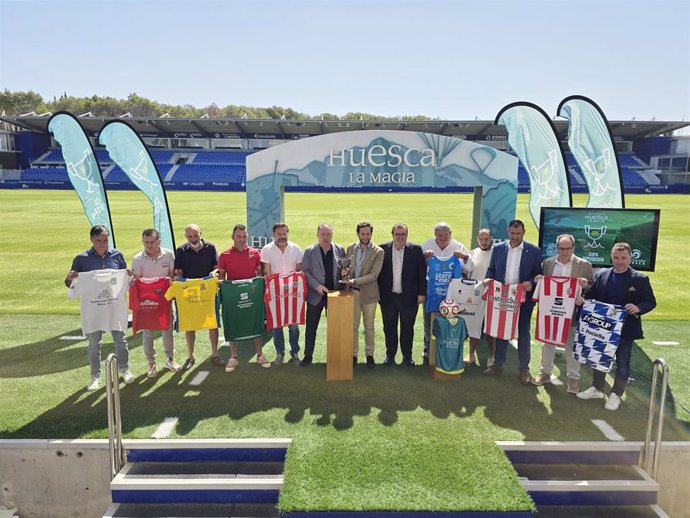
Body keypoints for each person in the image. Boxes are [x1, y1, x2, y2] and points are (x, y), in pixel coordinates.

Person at [576, 242, 656, 410]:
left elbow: (651, 301)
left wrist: (639, 308)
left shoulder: (640, 279)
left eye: (623, 258)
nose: (619, 261)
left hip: (625, 330)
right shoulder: (603, 276)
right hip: (603, 328)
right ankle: (597, 388)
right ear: (611, 257)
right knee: (599, 358)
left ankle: (616, 394)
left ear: (630, 257)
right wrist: (582, 300)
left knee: (623, 363)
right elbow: (591, 297)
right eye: (616, 257)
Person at [65, 224, 134, 391]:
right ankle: (95, 377)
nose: (103, 243)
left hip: (114, 307)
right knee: (94, 344)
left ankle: (124, 370)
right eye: (98, 240)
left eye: (105, 240)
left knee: (120, 340)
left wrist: (129, 276)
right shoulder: (81, 259)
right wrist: (69, 279)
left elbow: (125, 280)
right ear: (91, 240)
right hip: (93, 310)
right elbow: (70, 285)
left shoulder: (118, 255)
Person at [531, 234, 593, 393]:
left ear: (573, 248)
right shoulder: (548, 263)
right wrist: (539, 279)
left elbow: (592, 287)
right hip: (551, 312)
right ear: (556, 247)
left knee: (571, 344)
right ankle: (545, 372)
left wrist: (584, 290)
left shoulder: (584, 265)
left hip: (571, 312)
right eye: (561, 248)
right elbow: (543, 283)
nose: (565, 252)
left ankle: (573, 377)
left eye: (568, 248)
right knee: (548, 342)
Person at [483, 219, 541, 384]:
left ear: (524, 232)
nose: (515, 236)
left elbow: (537, 274)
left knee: (523, 333)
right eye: (512, 233)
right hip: (502, 297)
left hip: (523, 300)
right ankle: (498, 365)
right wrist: (488, 279)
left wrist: (532, 282)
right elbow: (492, 269)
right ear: (508, 231)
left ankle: (524, 369)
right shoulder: (498, 248)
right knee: (502, 331)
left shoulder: (534, 251)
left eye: (518, 233)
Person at [218, 224, 271, 373]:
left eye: (244, 237)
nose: (242, 240)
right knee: (233, 323)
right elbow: (222, 276)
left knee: (255, 321)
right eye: (238, 237)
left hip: (252, 295)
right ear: (233, 237)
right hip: (232, 296)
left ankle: (260, 354)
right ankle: (233, 357)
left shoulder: (255, 253)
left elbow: (259, 274)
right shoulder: (225, 255)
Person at [131, 228, 182, 378]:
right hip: (147, 301)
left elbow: (171, 275)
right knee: (148, 333)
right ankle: (151, 362)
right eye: (146, 242)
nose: (149, 246)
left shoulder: (168, 254)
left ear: (158, 241)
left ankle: (170, 359)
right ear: (142, 242)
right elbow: (138, 282)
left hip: (164, 299)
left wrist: (164, 285)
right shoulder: (137, 258)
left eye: (152, 242)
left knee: (167, 330)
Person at [421, 222, 472, 365]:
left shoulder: (458, 247)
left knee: (451, 321)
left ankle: (450, 349)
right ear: (434, 235)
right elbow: (420, 267)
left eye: (446, 235)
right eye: (439, 235)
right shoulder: (427, 245)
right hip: (432, 290)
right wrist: (425, 257)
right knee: (429, 321)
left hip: (452, 293)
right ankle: (428, 350)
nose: (443, 238)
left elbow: (470, 267)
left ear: (451, 233)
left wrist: (465, 257)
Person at [378, 223, 427, 366]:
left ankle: (407, 357)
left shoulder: (416, 250)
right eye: (397, 234)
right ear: (392, 234)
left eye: (403, 234)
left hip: (409, 297)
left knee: (407, 328)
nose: (400, 237)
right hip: (388, 297)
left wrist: (422, 293)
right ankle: (390, 356)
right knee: (389, 328)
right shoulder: (382, 249)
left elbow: (421, 273)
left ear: (407, 235)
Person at [174, 223, 221, 370]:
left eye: (196, 235)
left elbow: (217, 268)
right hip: (189, 292)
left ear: (201, 233)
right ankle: (190, 356)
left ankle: (214, 354)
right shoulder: (181, 250)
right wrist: (178, 279)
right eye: (190, 236)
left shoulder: (211, 248)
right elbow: (179, 271)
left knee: (212, 324)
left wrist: (215, 273)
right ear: (185, 236)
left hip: (207, 291)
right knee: (190, 325)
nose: (193, 239)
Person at [300, 223, 345, 366]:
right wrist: (316, 285)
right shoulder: (308, 251)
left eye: (328, 234)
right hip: (316, 296)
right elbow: (305, 272)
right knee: (311, 328)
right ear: (317, 234)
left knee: (336, 329)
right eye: (323, 234)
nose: (325, 237)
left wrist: (346, 273)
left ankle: (336, 356)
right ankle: (308, 356)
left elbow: (344, 269)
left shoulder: (340, 250)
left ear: (332, 235)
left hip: (334, 295)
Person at [260, 222, 303, 366]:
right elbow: (267, 272)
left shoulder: (296, 248)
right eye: (279, 234)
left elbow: (299, 271)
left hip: (292, 294)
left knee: (293, 325)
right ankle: (280, 353)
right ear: (273, 234)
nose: (282, 237)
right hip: (275, 292)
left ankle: (295, 352)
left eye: (284, 233)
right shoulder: (266, 249)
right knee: (277, 325)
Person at [343, 222, 384, 368]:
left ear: (371, 234)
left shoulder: (378, 251)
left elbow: (373, 275)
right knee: (353, 326)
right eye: (363, 234)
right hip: (352, 293)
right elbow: (347, 268)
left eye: (368, 234)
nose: (365, 236)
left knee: (369, 327)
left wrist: (354, 280)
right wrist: (346, 273)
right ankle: (354, 354)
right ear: (358, 233)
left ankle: (369, 355)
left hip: (369, 295)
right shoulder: (350, 248)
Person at [465, 228, 496, 367]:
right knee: (473, 325)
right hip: (475, 294)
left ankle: (492, 355)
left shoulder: (497, 253)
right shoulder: (472, 253)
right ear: (477, 239)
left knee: (490, 327)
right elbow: (466, 273)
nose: (484, 242)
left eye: (486, 239)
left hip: (492, 294)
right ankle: (470, 353)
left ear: (491, 239)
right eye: (481, 239)